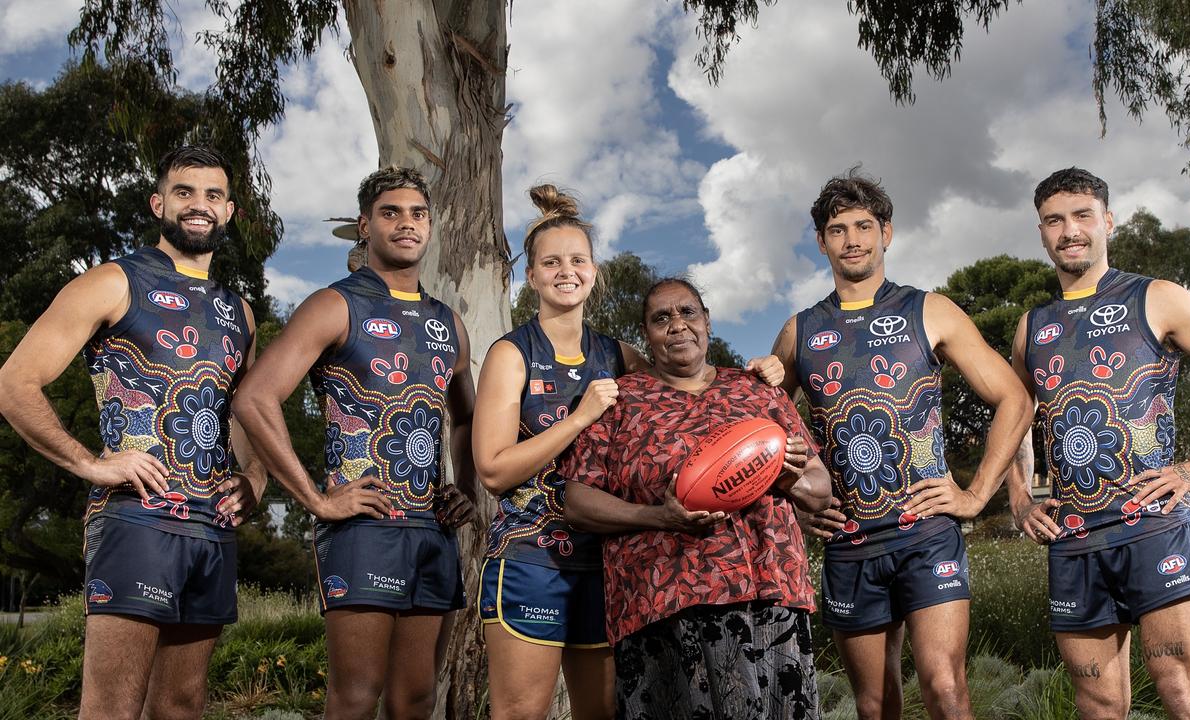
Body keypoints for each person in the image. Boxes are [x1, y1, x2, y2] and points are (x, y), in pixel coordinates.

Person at [473, 185, 784, 720]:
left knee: (603, 713)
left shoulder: (618, 355)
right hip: (532, 559)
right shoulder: (511, 353)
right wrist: (580, 417)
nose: (565, 271)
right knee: (521, 713)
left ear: (594, 272)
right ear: (532, 276)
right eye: (551, 262)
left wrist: (758, 374)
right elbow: (494, 471)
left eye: (577, 260)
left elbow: (687, 388)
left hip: (606, 562)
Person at [0, 146, 265, 719]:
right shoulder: (113, 281)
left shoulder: (238, 311)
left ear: (230, 211)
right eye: (184, 192)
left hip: (212, 527)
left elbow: (244, 411)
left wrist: (257, 476)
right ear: (158, 203)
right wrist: (90, 464)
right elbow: (15, 383)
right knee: (111, 709)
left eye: (213, 195)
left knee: (182, 705)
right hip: (137, 516)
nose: (199, 205)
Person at [1006, 167, 1190, 720]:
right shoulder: (1032, 327)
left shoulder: (1156, 297)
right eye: (1054, 221)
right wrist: (1019, 498)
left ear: (1108, 221)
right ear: (1041, 233)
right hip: (1073, 539)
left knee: (1180, 689)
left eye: (1082, 216)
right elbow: (1016, 417)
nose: (1070, 230)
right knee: (1098, 703)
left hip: (1154, 524)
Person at [771, 168, 1033, 720]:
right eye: (838, 230)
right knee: (875, 703)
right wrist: (797, 497)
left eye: (864, 226)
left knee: (945, 686)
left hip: (927, 534)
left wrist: (977, 492)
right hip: (848, 541)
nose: (853, 240)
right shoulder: (799, 332)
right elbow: (761, 430)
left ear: (886, 233)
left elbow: (1014, 397)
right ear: (821, 242)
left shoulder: (929, 310)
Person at [232, 166, 477, 720]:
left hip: (432, 530)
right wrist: (317, 501)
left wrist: (464, 485)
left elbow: (464, 419)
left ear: (431, 225)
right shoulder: (334, 305)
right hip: (362, 526)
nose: (406, 223)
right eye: (391, 212)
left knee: (415, 699)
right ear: (365, 226)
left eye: (418, 213)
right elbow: (254, 398)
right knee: (355, 697)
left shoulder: (448, 324)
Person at [560, 277, 830, 720]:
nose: (677, 325)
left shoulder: (757, 390)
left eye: (688, 312)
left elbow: (820, 493)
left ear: (706, 320)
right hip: (663, 605)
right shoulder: (620, 402)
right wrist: (658, 516)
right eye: (661, 318)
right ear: (645, 335)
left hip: (770, 597)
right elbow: (576, 501)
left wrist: (785, 480)